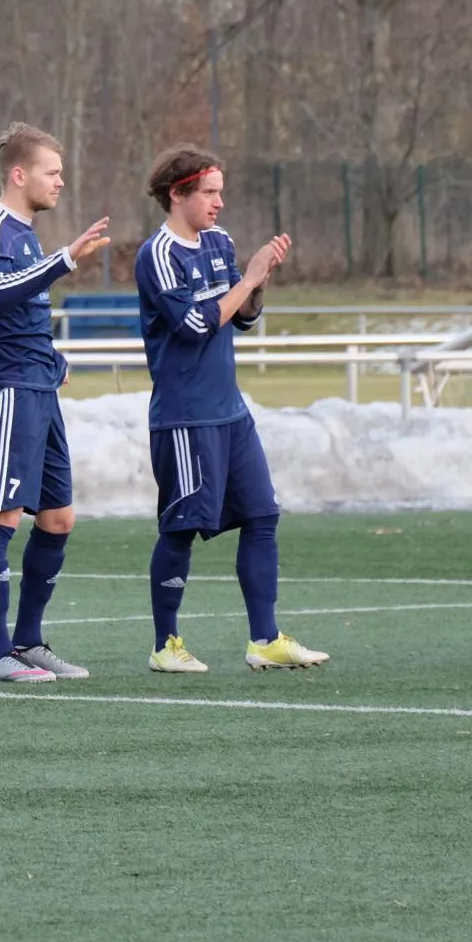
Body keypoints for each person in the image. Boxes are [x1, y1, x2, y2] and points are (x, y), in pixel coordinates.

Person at [133, 145, 327, 674]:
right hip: (185, 417)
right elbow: (195, 326)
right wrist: (248, 278)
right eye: (209, 192)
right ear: (178, 194)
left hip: (231, 412)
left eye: (221, 191)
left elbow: (241, 318)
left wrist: (258, 284)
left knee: (262, 516)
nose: (219, 202)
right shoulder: (158, 254)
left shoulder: (220, 242)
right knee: (180, 528)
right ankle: (165, 645)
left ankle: (265, 639)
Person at [0, 123, 111, 683]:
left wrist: (51, 357)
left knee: (57, 517)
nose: (60, 182)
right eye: (52, 172)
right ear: (19, 175)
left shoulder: (24, 234)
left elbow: (23, 314)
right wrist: (65, 258)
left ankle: (28, 640)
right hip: (6, 389)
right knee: (1, 514)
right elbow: (0, 293)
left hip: (38, 385)